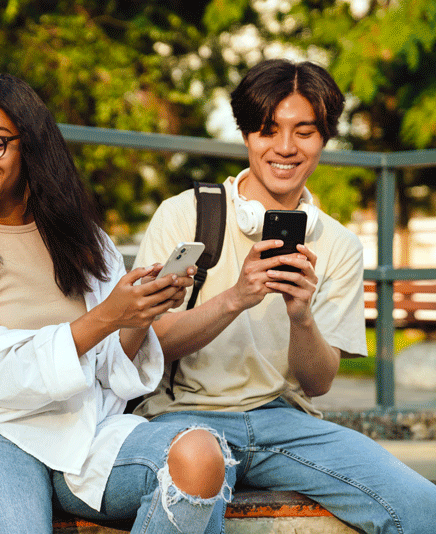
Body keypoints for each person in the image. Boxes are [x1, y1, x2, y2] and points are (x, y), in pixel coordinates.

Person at [0, 72, 236, 534]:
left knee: (200, 457)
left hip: (86, 430)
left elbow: (109, 368)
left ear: (31, 146)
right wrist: (107, 317)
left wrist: (137, 316)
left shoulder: (86, 241)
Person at [133, 58, 436, 533]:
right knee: (193, 492)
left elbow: (318, 384)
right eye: (268, 130)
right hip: (184, 419)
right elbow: (146, 346)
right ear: (247, 136)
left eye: (305, 132)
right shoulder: (184, 215)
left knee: (423, 507)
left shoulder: (337, 244)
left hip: (285, 422)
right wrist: (236, 297)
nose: (285, 148)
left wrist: (302, 317)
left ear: (324, 139)